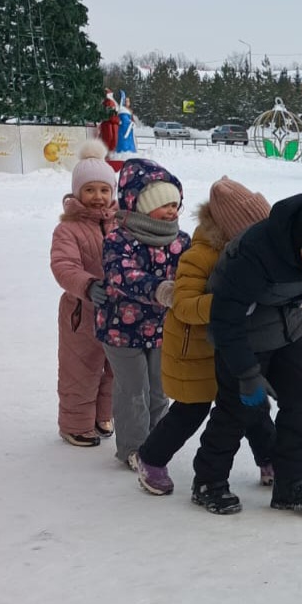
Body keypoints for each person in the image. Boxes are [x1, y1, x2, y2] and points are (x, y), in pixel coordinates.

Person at [198, 192, 302, 514]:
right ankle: (208, 481)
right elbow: (224, 319)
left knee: (300, 404)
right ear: (301, 242)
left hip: (289, 332)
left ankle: (290, 484)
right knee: (235, 409)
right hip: (241, 337)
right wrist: (247, 373)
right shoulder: (253, 253)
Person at [131, 177, 275, 498]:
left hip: (232, 349)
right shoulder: (201, 255)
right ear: (235, 230)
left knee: (252, 404)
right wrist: (229, 304)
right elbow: (183, 305)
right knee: (190, 411)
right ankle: (150, 458)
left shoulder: (251, 256)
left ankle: (270, 459)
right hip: (194, 351)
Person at [95, 159, 191, 466]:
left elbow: (194, 272)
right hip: (120, 330)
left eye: (175, 204)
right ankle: (133, 449)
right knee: (133, 390)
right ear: (139, 205)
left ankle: (154, 444)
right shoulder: (119, 239)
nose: (172, 211)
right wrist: (160, 289)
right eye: (163, 204)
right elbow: (122, 275)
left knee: (159, 390)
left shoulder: (181, 241)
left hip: (163, 330)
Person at [50, 139, 119, 447]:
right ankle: (75, 423)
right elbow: (63, 265)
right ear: (77, 192)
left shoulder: (122, 224)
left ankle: (103, 414)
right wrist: (89, 285)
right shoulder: (68, 229)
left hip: (118, 311)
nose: (98, 197)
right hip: (82, 312)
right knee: (81, 367)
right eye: (90, 190)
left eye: (104, 190)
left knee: (113, 368)